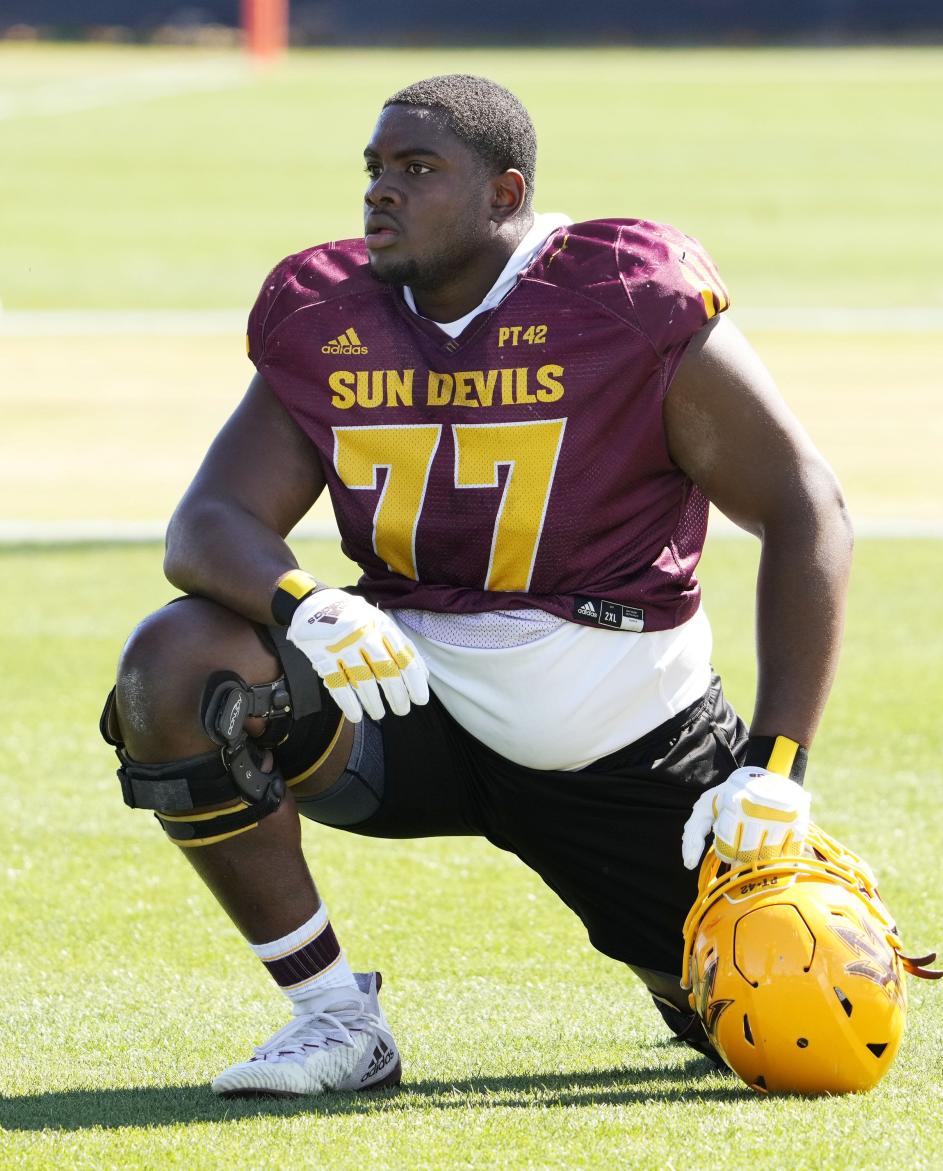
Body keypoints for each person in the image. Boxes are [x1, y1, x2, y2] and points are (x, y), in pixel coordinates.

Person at [101, 73, 853, 1097]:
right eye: (373, 169)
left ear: (505, 195)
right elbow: (207, 524)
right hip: (406, 699)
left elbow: (806, 506)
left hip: (617, 737)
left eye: (417, 170)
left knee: (805, 1032)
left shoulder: (623, 299)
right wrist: (306, 602)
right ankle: (334, 1019)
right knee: (176, 665)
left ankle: (671, 968)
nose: (380, 193)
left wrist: (778, 765)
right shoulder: (328, 314)